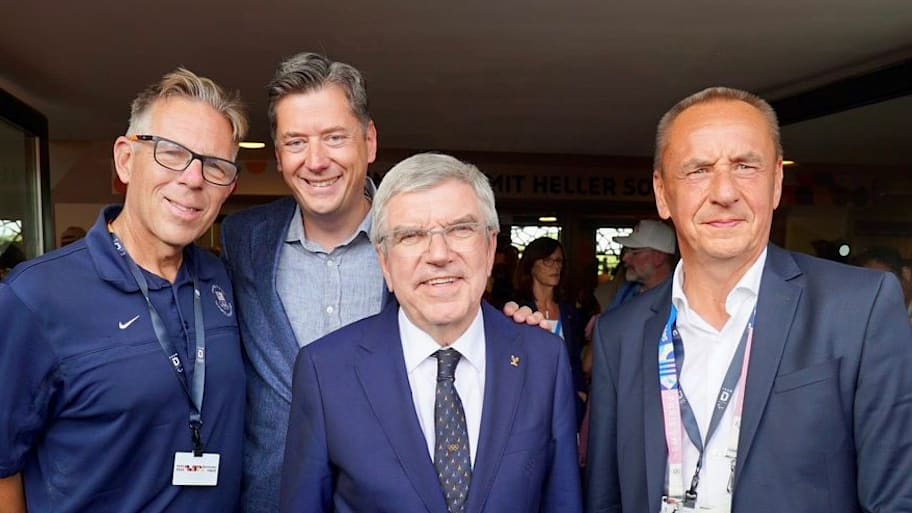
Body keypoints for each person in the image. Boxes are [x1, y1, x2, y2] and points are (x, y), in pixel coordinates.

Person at [586, 87, 912, 513]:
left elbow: (895, 500)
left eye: (745, 166)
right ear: (663, 193)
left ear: (776, 182)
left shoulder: (858, 308)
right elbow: (605, 499)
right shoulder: (620, 334)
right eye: (698, 170)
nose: (724, 192)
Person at [0, 68, 247, 512]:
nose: (193, 178)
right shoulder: (35, 297)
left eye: (215, 166)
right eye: (172, 152)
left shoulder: (222, 280)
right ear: (126, 160)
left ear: (228, 188)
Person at [279, 152, 582, 513]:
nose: (439, 253)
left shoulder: (543, 359)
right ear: (384, 261)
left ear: (489, 249)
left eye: (460, 229)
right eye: (411, 235)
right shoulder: (325, 370)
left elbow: (562, 501)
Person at [219, 52, 388, 513]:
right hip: (268, 497)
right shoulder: (242, 240)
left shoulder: (414, 239)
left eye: (335, 138)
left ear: (368, 142)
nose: (315, 161)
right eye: (296, 142)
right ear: (278, 156)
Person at [513, 236, 587, 411]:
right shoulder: (517, 312)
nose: (556, 266)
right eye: (548, 260)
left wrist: (580, 391)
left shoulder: (570, 314)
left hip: (567, 402)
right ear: (531, 265)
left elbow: (574, 358)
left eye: (559, 261)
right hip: (529, 403)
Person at [604, 219, 675, 312]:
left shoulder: (677, 298)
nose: (624, 258)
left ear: (659, 258)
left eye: (635, 252)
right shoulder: (626, 291)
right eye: (626, 251)